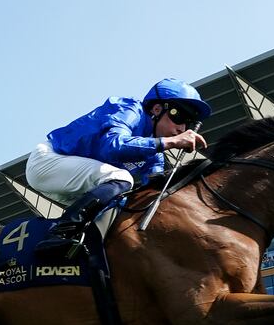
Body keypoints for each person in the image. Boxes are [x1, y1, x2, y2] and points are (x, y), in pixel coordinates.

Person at [26, 78, 212, 257]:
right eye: (178, 116)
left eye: (188, 122)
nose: (182, 128)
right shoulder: (129, 109)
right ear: (156, 109)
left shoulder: (155, 156)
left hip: (73, 180)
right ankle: (58, 235)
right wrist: (170, 142)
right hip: (48, 161)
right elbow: (113, 146)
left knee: (121, 210)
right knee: (123, 179)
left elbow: (153, 194)